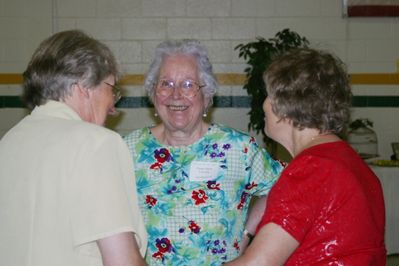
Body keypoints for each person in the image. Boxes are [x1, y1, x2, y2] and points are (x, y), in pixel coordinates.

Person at [123, 39, 283, 265]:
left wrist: (248, 234)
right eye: (166, 83)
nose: (176, 95)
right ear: (153, 94)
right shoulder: (129, 149)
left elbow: (283, 185)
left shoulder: (238, 148)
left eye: (188, 84)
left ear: (206, 95)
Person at [226, 48, 386, 265]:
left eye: (269, 94)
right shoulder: (350, 163)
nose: (264, 103)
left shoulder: (310, 170)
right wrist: (247, 230)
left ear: (285, 106)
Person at [0, 30, 147, 266]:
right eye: (111, 88)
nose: (113, 107)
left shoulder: (8, 142)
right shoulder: (97, 142)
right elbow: (122, 262)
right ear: (84, 86)